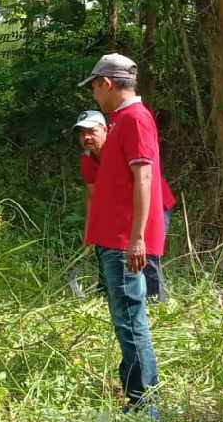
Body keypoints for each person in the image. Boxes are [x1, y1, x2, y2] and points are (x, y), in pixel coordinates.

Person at [79, 54, 168, 416]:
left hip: (123, 241)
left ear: (107, 84)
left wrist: (137, 238)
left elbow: (144, 177)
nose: (95, 96)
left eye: (95, 88)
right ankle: (138, 399)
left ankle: (145, 405)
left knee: (131, 320)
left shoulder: (134, 119)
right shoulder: (121, 121)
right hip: (114, 239)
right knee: (126, 319)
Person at [73, 109, 176, 300]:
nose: (86, 137)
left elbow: (142, 179)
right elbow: (93, 197)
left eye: (92, 131)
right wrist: (90, 231)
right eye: (82, 133)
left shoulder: (119, 146)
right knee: (107, 247)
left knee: (147, 252)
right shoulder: (87, 160)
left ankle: (157, 302)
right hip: (126, 206)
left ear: (105, 130)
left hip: (154, 202)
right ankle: (108, 296)